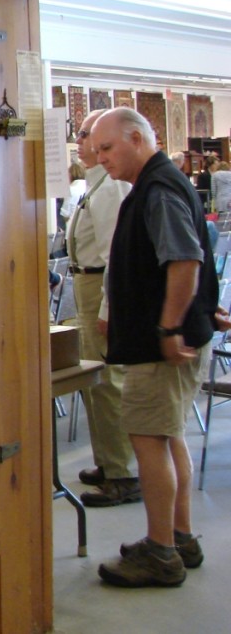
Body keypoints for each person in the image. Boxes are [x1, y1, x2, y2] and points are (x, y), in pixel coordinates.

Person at [90, 107, 217, 588]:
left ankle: (161, 551)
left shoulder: (158, 189)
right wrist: (206, 307)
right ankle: (178, 536)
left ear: (138, 138)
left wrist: (167, 329)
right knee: (167, 438)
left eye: (107, 148)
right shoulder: (160, 184)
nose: (100, 158)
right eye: (97, 149)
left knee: (150, 443)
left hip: (157, 346)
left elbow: (184, 260)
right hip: (165, 340)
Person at [66, 110, 138, 508]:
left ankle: (123, 471)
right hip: (86, 284)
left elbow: (114, 255)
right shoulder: (94, 186)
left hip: (98, 287)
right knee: (96, 380)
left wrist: (108, 309)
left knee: (108, 382)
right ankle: (109, 462)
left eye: (87, 135)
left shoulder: (109, 189)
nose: (80, 141)